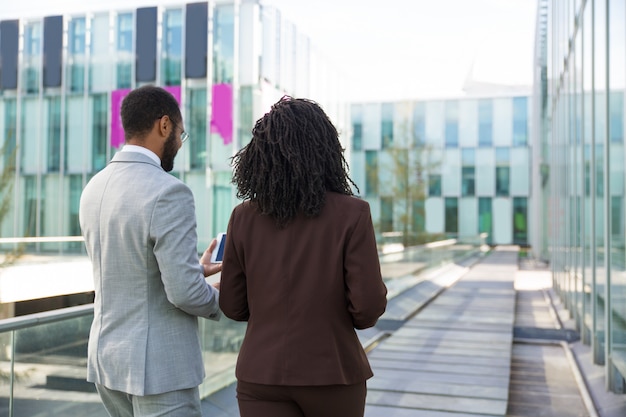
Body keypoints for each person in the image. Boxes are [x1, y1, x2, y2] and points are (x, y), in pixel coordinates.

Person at [219, 96, 388, 417]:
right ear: (325, 149)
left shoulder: (242, 216)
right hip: (332, 373)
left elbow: (232, 306)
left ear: (261, 154)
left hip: (259, 374)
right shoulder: (353, 213)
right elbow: (367, 310)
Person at [79, 85, 222, 417]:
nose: (178, 146)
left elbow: (129, 267)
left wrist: (194, 271)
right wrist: (230, 298)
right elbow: (186, 295)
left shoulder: (93, 188)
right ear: (164, 125)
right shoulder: (169, 192)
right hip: (159, 370)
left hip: (107, 362)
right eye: (180, 135)